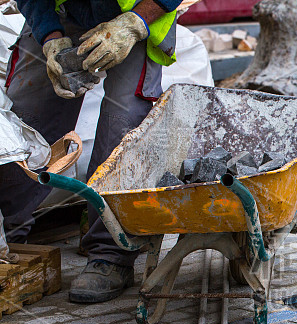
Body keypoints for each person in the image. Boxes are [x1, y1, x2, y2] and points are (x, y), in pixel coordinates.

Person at [0, 0, 181, 303]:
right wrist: (49, 37)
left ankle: (110, 255)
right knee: (18, 125)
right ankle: (7, 236)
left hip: (138, 10)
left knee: (122, 125)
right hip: (63, 11)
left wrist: (134, 23)